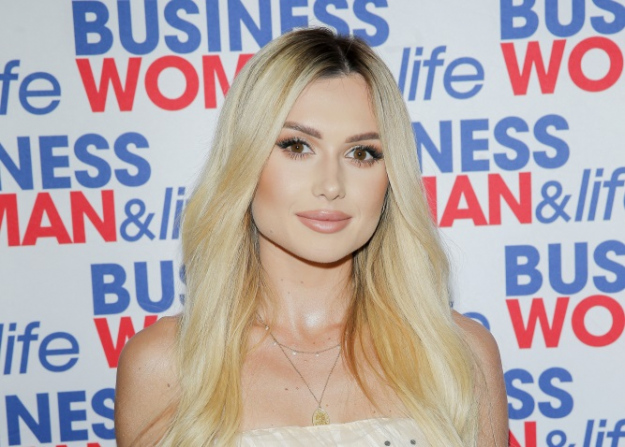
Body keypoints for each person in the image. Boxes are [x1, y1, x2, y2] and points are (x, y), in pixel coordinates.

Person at [114, 27, 508, 446]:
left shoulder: (458, 355)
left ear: (391, 176)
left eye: (362, 153)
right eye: (297, 146)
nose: (331, 185)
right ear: (245, 160)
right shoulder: (165, 367)